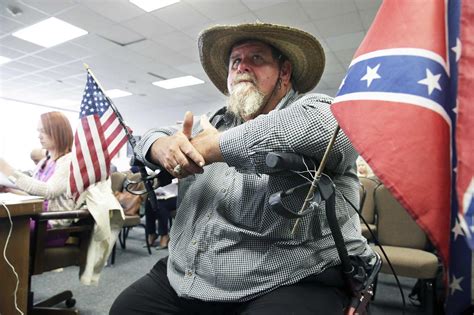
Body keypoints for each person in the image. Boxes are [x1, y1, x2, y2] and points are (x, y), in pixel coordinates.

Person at [110, 23, 375, 314]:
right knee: (126, 309)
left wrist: (213, 148)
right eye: (235, 61)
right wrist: (159, 146)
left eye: (256, 59)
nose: (242, 67)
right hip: (186, 274)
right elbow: (151, 137)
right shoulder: (215, 121)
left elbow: (329, 129)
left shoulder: (313, 108)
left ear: (284, 72)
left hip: (287, 280)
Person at [0, 111, 75, 246]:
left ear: (58, 131)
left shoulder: (69, 161)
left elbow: (48, 191)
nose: (39, 136)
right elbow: (33, 194)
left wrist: (7, 168)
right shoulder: (45, 161)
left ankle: (15, 266)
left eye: (44, 131)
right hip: (38, 218)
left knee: (4, 225)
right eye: (39, 131)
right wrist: (7, 189)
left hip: (51, 226)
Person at [144, 179, 177, 249]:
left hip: (176, 196)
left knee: (160, 204)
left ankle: (164, 235)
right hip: (162, 195)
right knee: (149, 202)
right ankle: (151, 233)